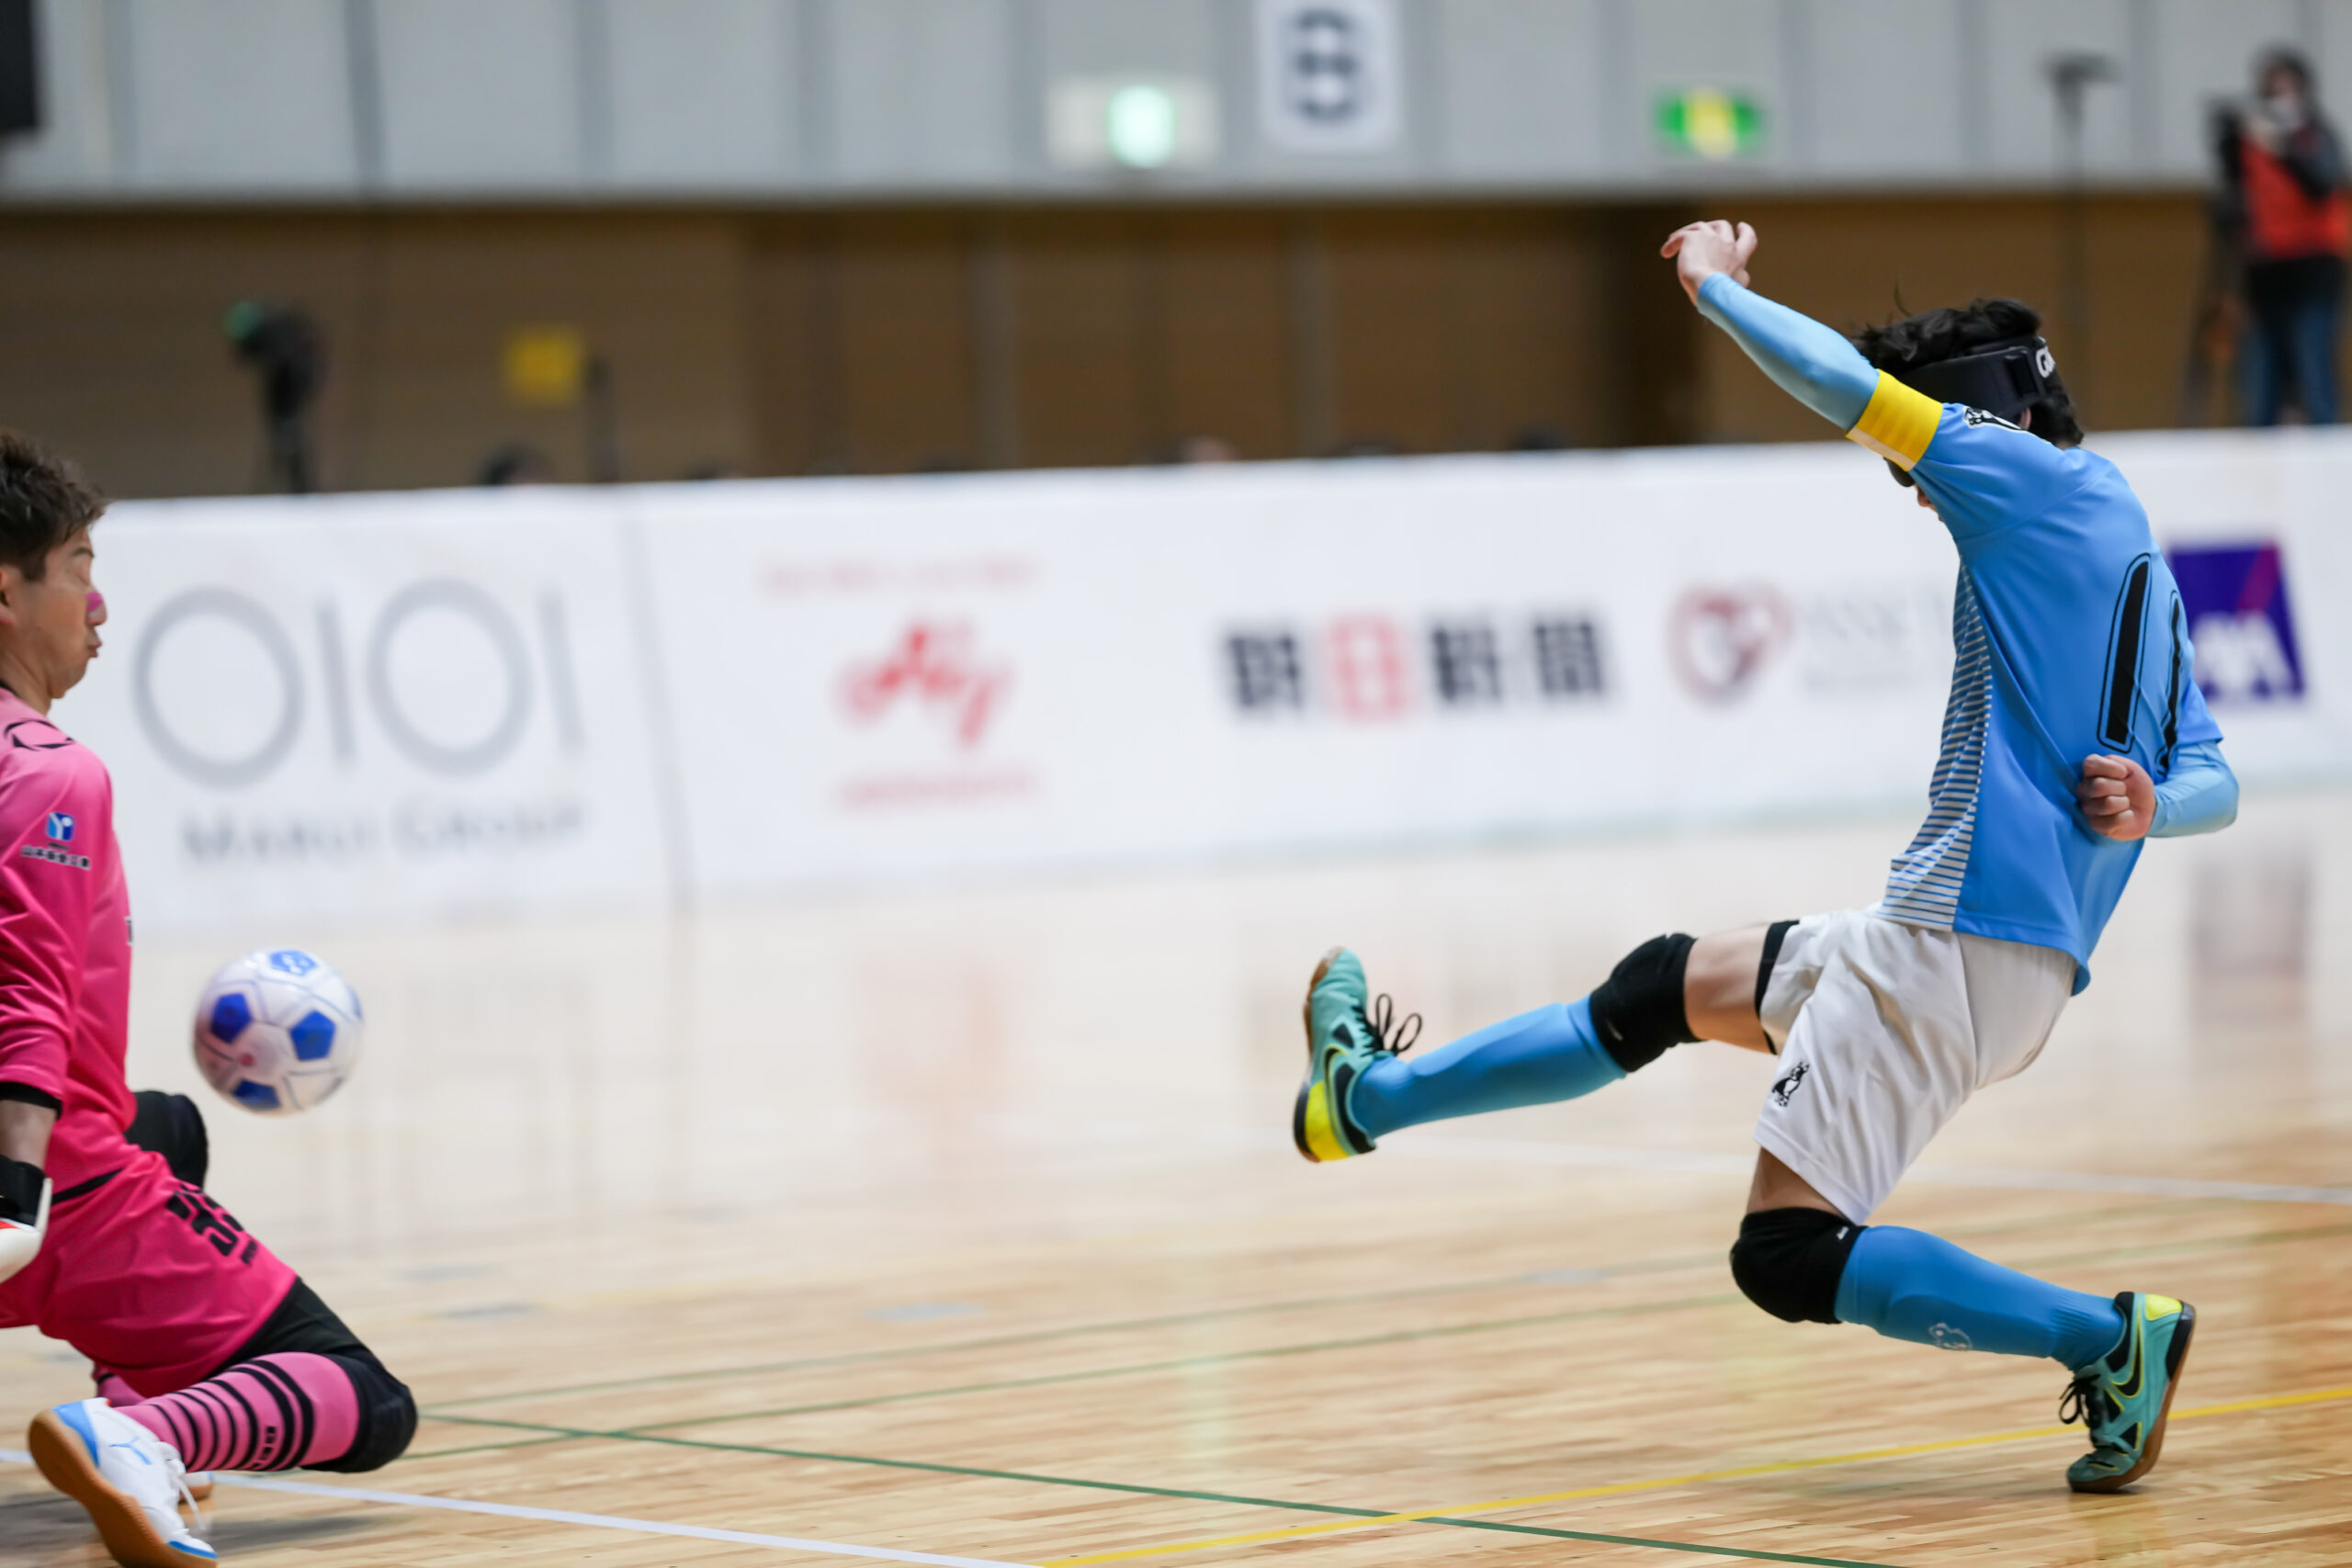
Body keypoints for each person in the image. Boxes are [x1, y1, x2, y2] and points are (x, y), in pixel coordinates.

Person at [1291, 221, 2240, 1495]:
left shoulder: (2021, 480)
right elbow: (2216, 778)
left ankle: (2110, 1337)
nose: (1910, 485)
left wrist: (1718, 290)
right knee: (1664, 984)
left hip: (1951, 948)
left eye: (1921, 457)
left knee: (1784, 1253)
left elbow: (1849, 394)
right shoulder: (2138, 560)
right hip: (1988, 955)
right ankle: (1361, 1102)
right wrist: (2149, 808)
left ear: (1982, 423)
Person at [0, 433, 414, 1567]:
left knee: (171, 1126)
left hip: (50, 1163)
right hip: (53, 1188)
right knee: (369, 1401)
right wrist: (14, 1189)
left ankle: (135, 1384)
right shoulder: (46, 774)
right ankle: (141, 1433)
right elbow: (26, 1001)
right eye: (79, 565)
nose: (99, 603)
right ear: (7, 589)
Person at [2217, 48, 2349, 424]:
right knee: (2261, 379)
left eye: (2287, 89)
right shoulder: (2252, 146)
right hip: (2266, 275)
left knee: (2314, 371)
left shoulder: (2317, 137)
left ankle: (2331, 464)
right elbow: (2234, 199)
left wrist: (2284, 149)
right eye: (2272, 91)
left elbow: (2322, 184)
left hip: (2314, 271)